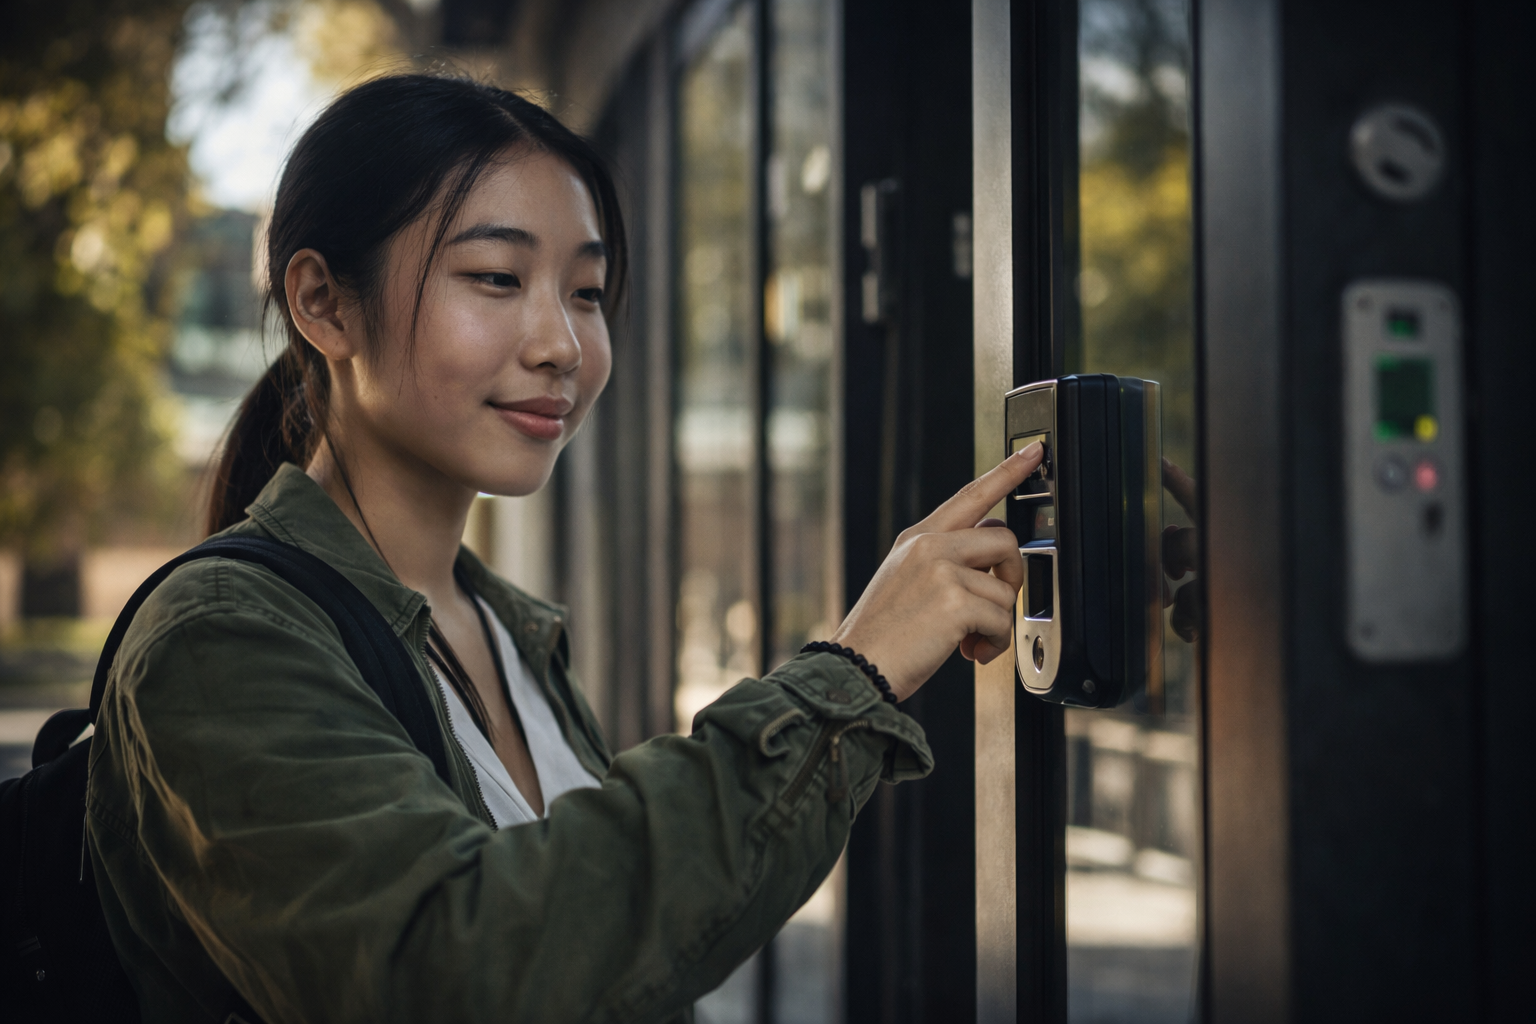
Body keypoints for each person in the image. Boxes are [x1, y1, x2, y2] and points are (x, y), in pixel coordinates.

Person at [87, 74, 1040, 1023]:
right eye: (497, 278)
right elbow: (465, 974)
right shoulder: (219, 637)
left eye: (585, 292)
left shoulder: (503, 626)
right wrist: (848, 678)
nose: (562, 344)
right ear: (324, 304)